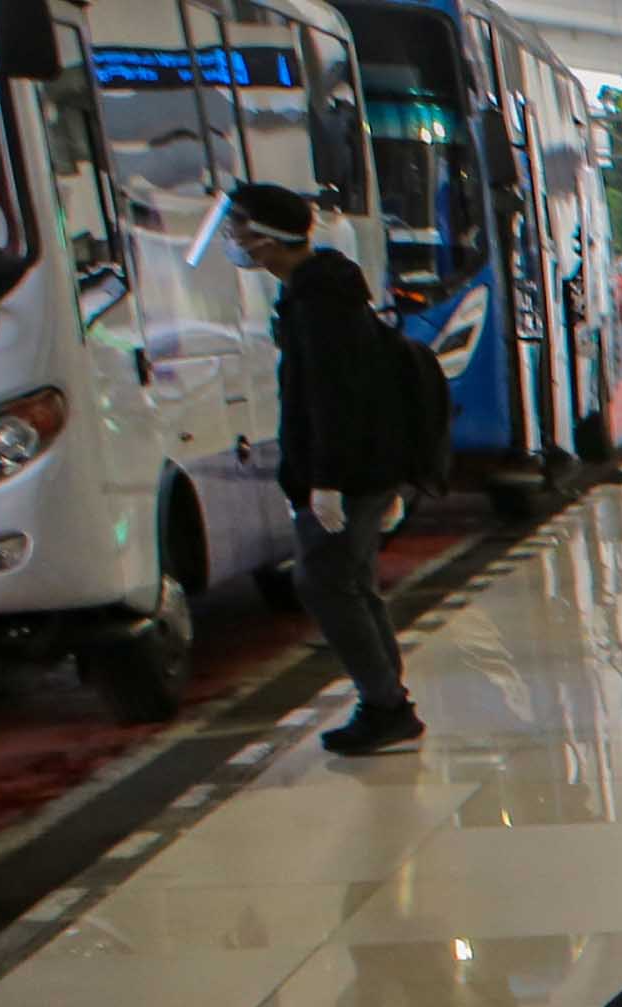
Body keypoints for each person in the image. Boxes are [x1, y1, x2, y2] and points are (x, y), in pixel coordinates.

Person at [230, 182, 422, 757]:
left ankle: (385, 704)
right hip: (359, 467)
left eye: (240, 226)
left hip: (346, 470)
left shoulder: (319, 304)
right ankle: (388, 701)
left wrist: (327, 482)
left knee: (324, 582)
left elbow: (331, 399)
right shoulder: (317, 293)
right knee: (351, 582)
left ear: (269, 237)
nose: (235, 238)